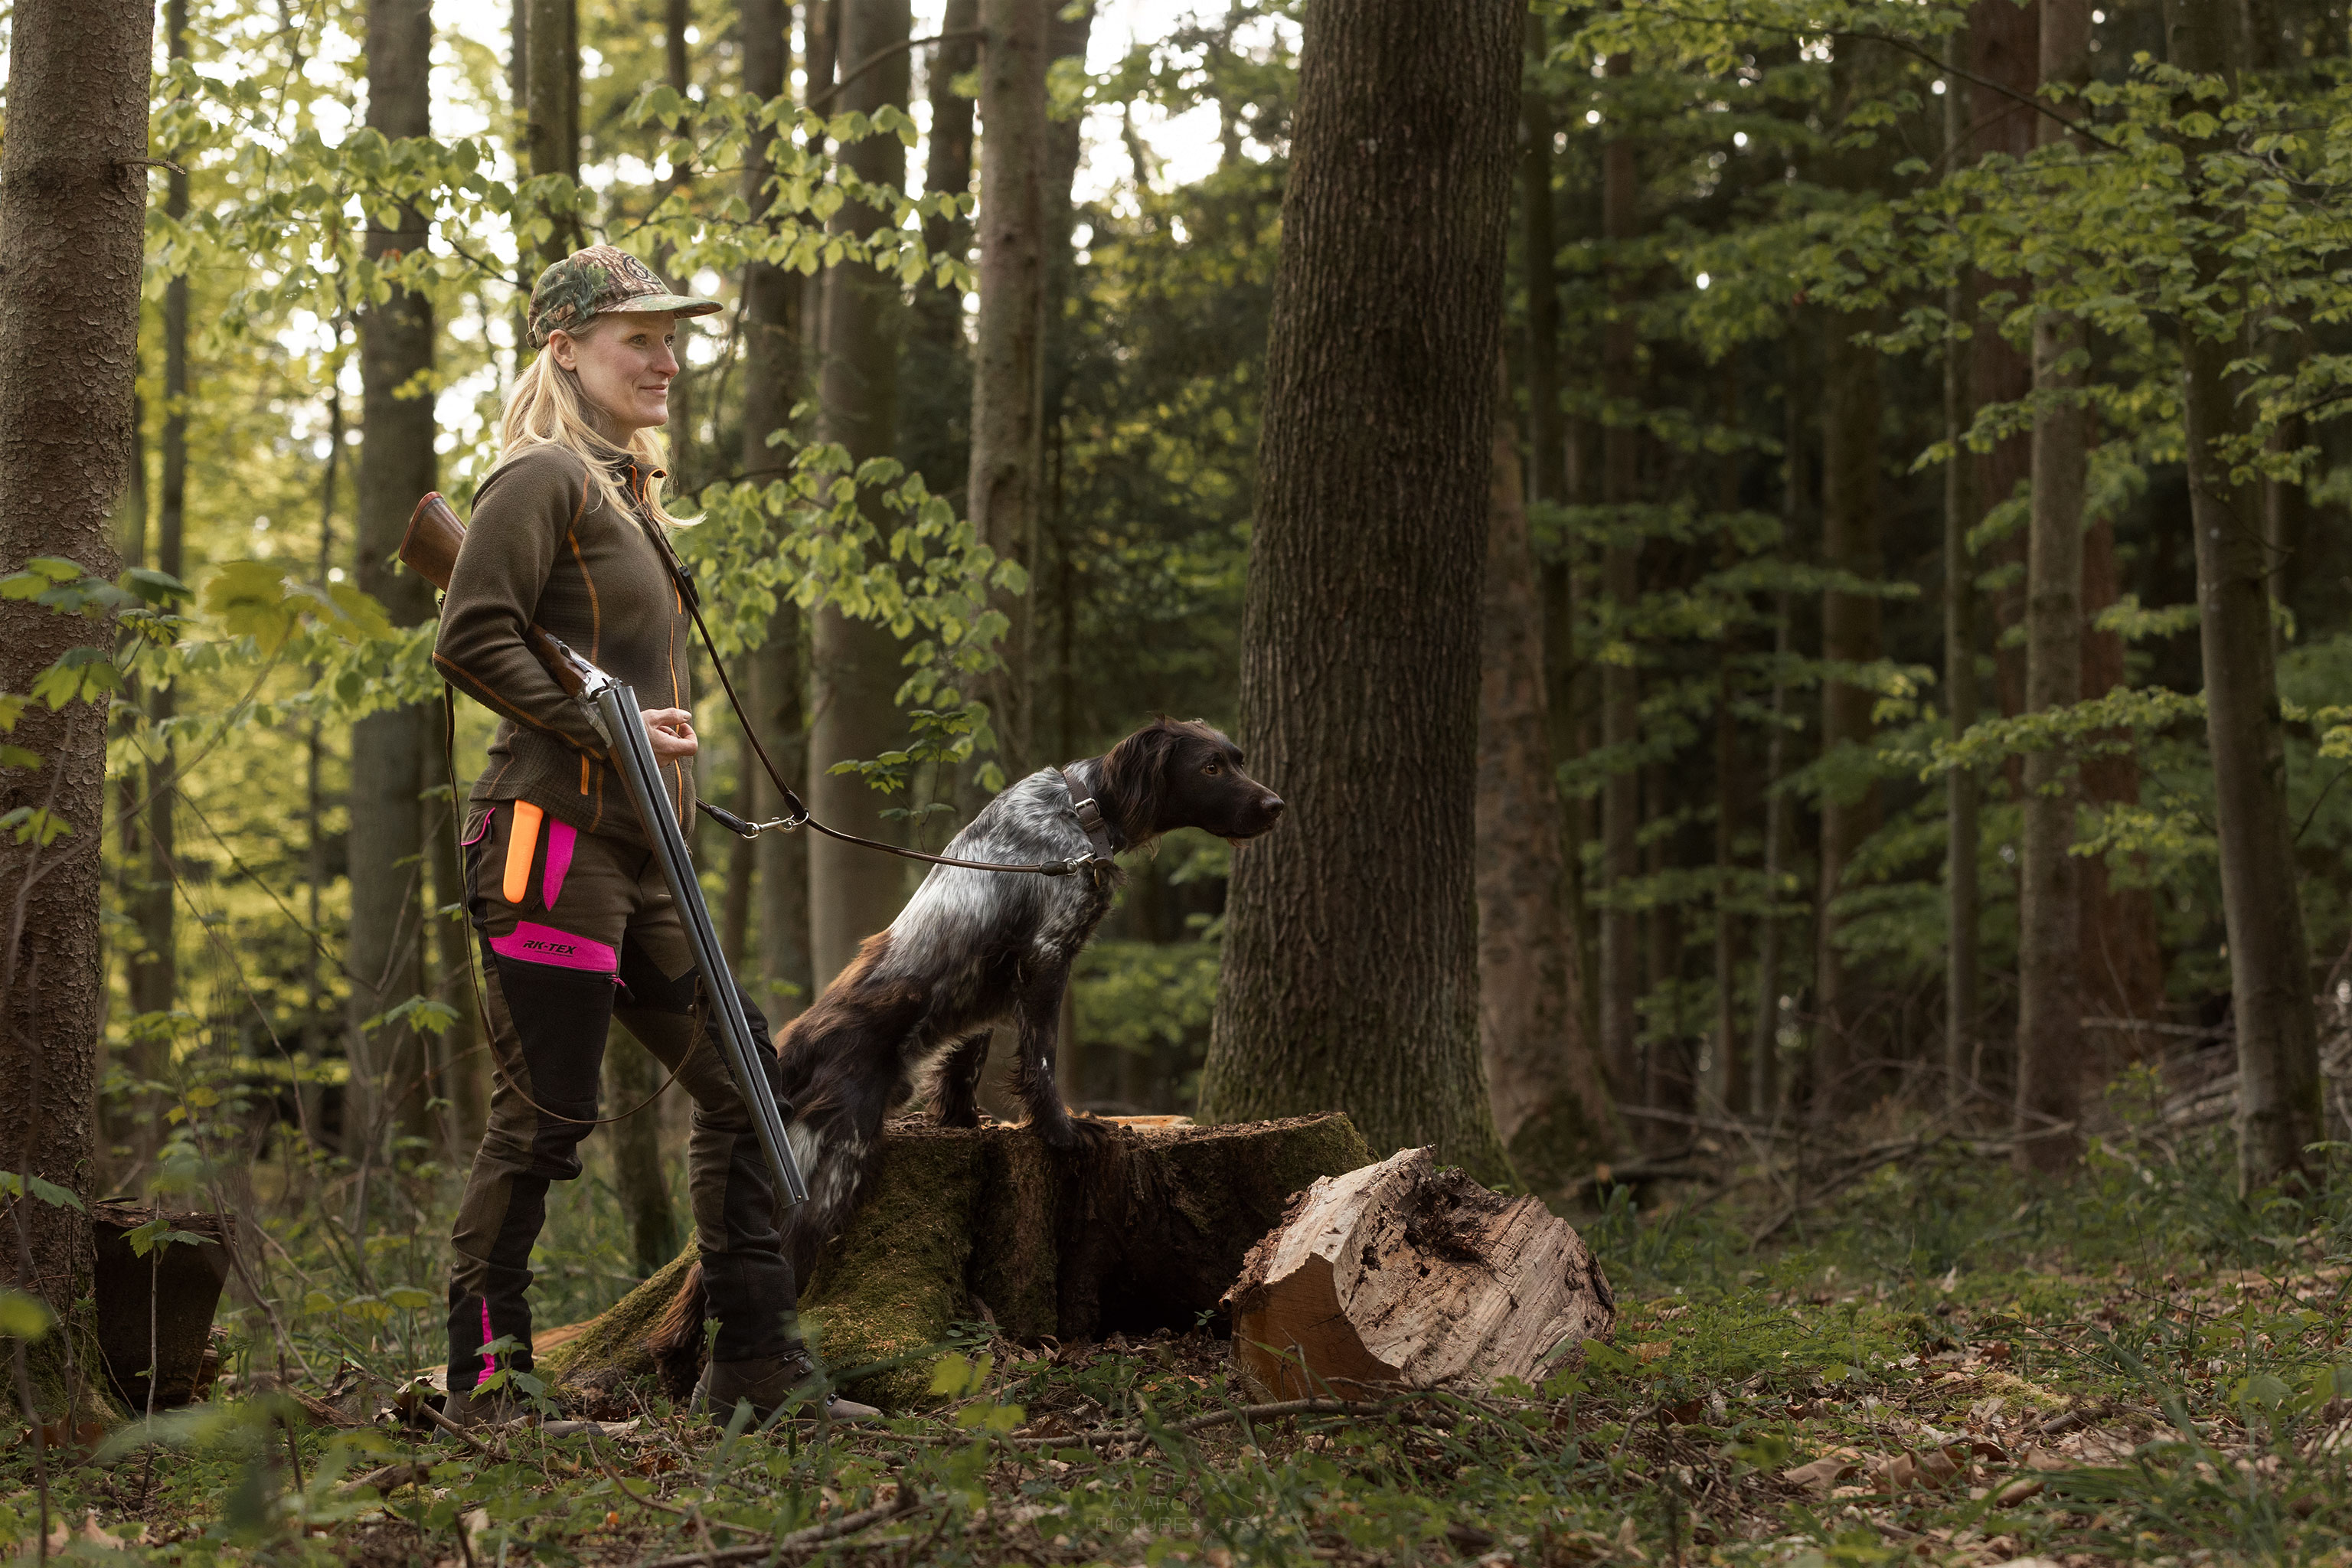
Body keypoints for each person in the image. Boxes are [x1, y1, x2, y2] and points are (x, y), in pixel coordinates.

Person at [431, 243, 875, 1426]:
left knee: (750, 1093)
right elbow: (471, 636)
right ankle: (487, 1387)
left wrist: (639, 733)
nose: (667, 359)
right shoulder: (538, 478)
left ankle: (757, 1374)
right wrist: (602, 717)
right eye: (639, 337)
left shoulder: (627, 497)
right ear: (563, 347)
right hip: (549, 847)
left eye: (672, 337)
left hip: (646, 860)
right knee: (544, 1122)